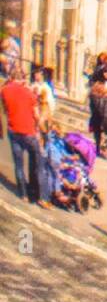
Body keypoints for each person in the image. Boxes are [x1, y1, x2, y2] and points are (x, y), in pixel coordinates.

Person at [2, 65, 50, 206]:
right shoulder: (29, 94)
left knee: (18, 164)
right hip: (28, 132)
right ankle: (41, 197)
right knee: (38, 164)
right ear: (23, 78)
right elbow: (36, 116)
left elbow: (5, 108)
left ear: (11, 77)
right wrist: (44, 132)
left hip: (13, 130)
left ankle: (23, 194)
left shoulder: (4, 91)